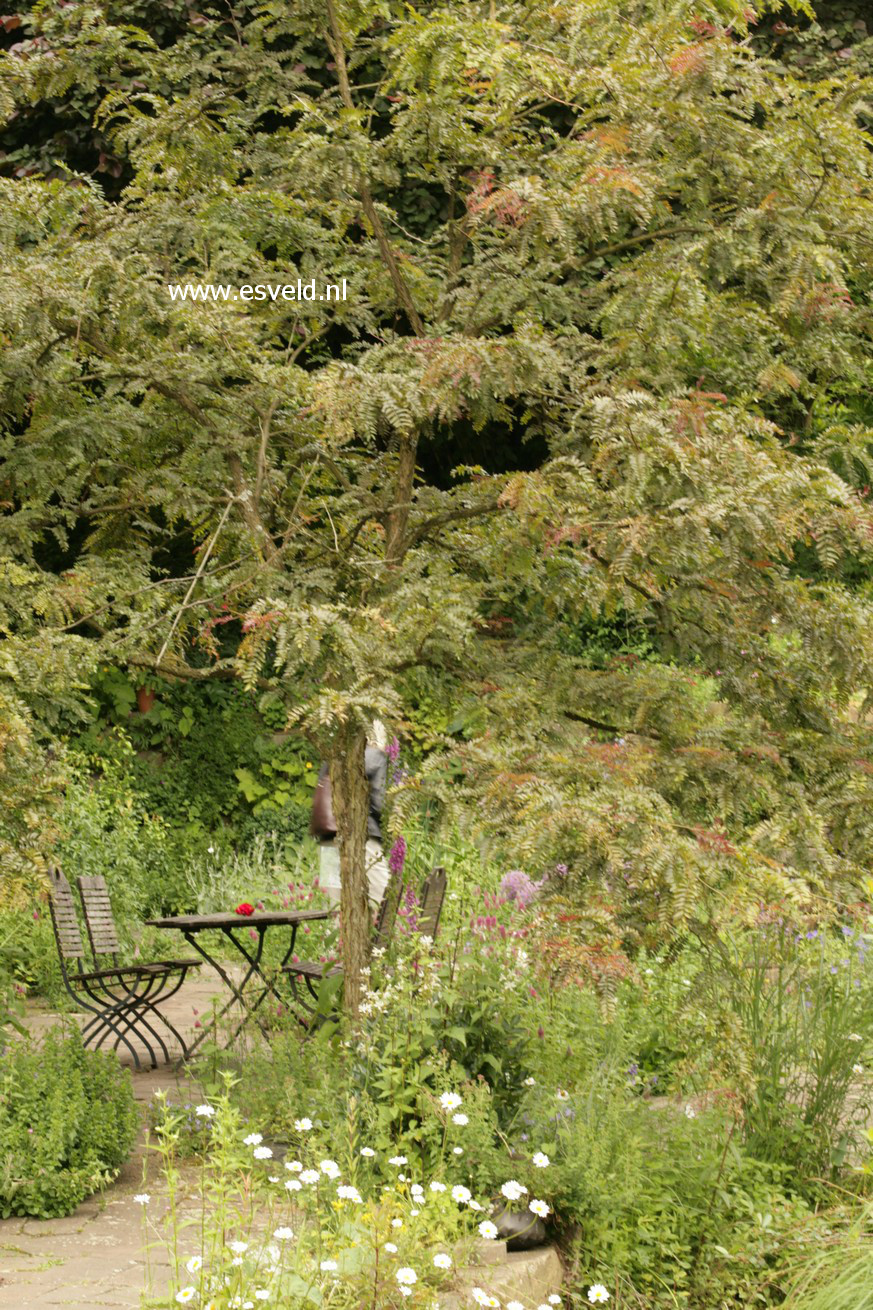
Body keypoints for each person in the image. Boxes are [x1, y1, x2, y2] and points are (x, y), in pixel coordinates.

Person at [310, 727, 390, 909]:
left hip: (329, 838)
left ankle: (338, 938)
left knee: (335, 909)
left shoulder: (334, 755)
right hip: (364, 839)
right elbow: (379, 803)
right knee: (381, 898)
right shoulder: (376, 756)